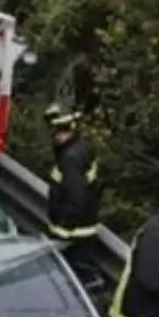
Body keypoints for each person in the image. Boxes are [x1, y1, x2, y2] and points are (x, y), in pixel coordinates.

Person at [44, 103, 102, 277]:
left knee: (69, 279)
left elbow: (75, 198)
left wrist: (62, 229)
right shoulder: (83, 147)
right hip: (85, 226)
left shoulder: (70, 158)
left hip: (73, 233)